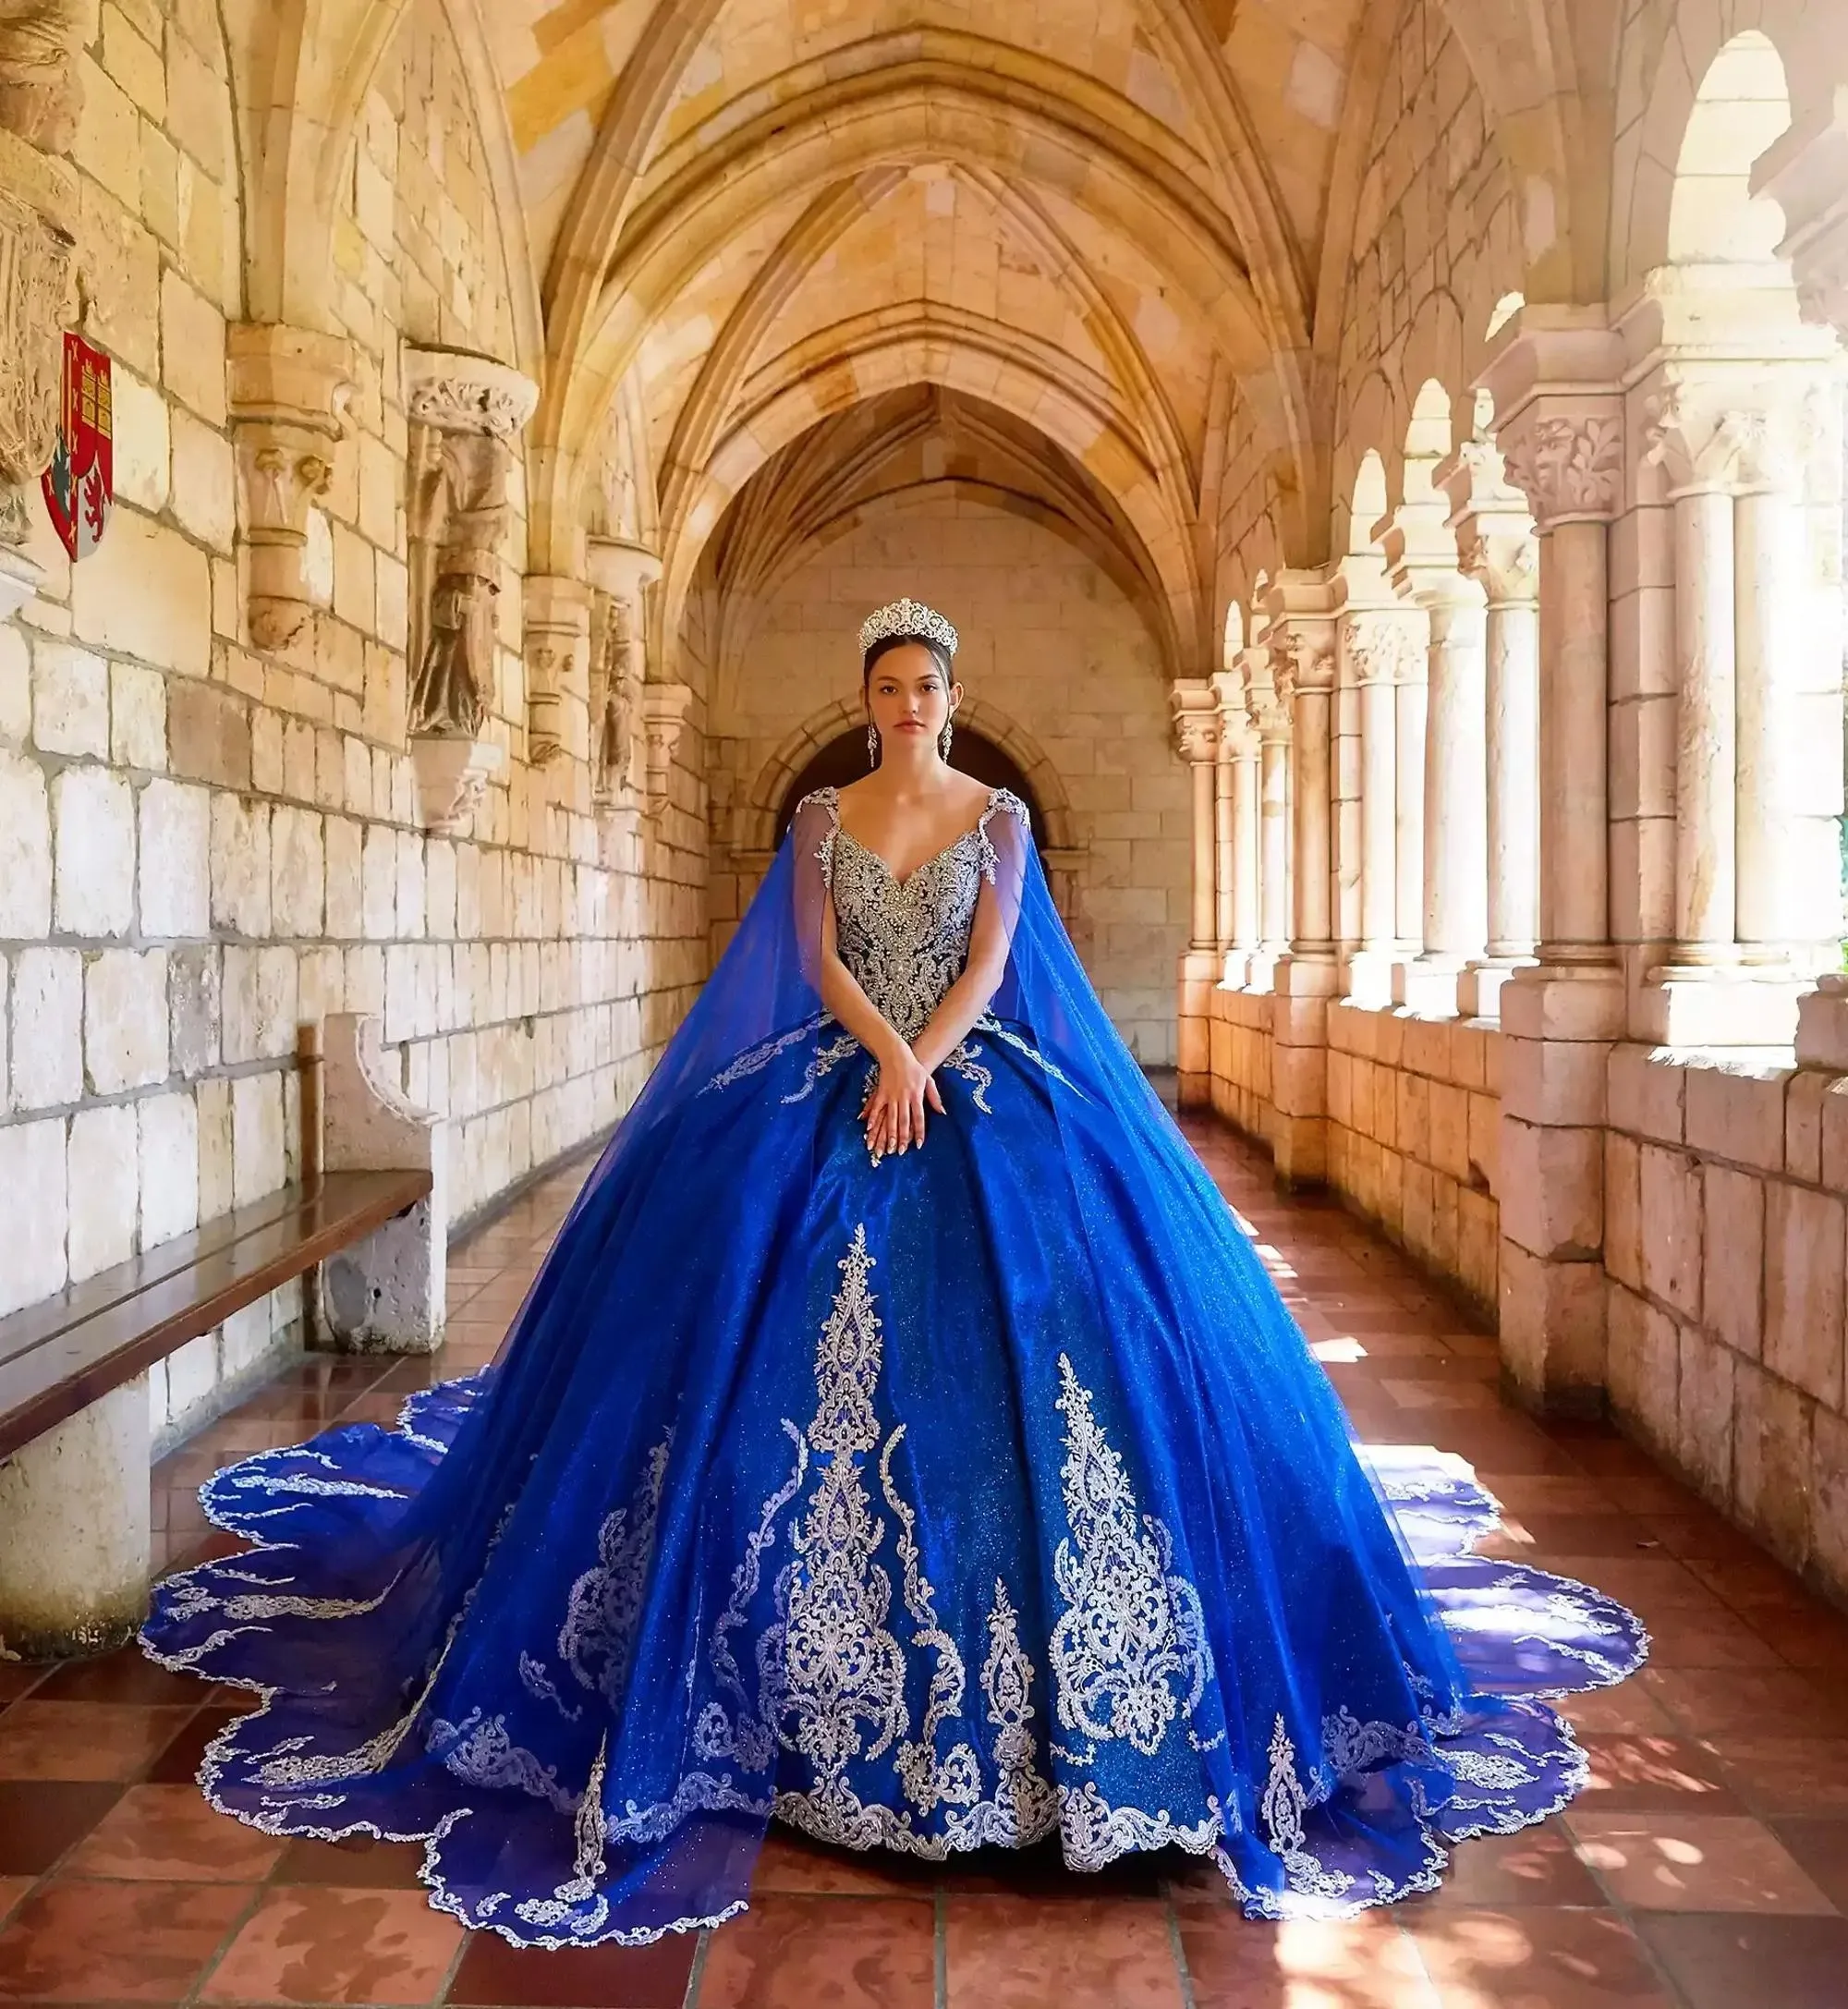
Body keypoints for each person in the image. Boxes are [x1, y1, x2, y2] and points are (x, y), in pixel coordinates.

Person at [142, 598, 1644, 1947]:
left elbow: (994, 965)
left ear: (950, 688)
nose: (910, 701)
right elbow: (813, 957)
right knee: (721, 1332)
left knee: (1078, 1351)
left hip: (973, 1076)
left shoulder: (997, 819)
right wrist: (881, 1053)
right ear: (868, 696)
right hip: (843, 1074)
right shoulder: (816, 818)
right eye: (890, 683)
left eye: (928, 681)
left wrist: (933, 1059)